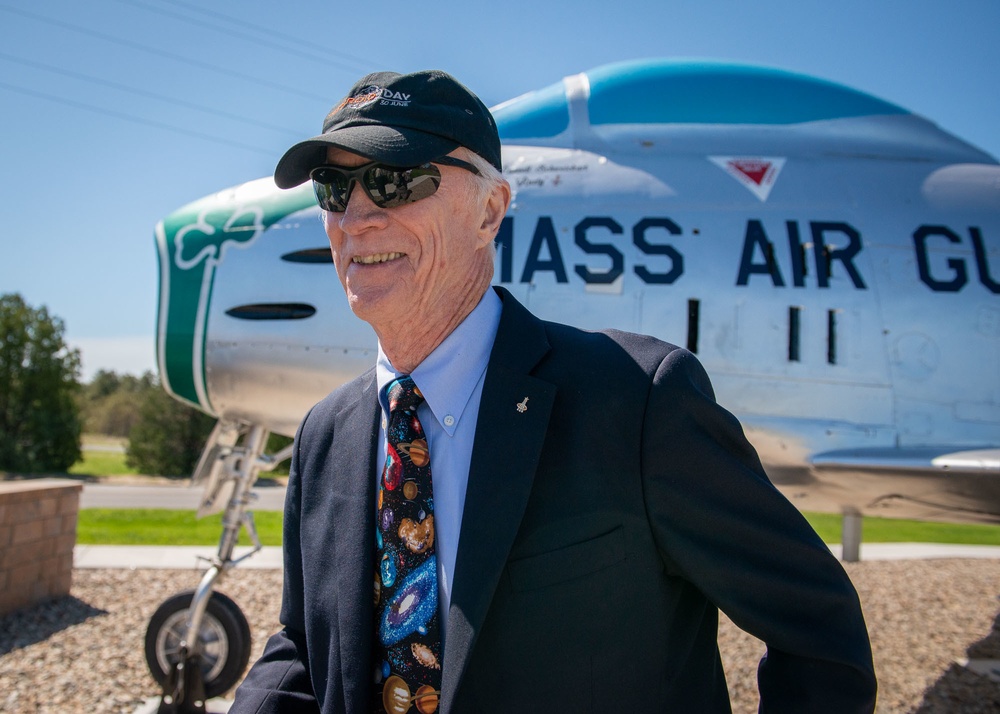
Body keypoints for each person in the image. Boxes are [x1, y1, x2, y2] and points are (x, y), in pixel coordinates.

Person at [231, 69, 877, 713]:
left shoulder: (638, 403)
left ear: (490, 211)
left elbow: (819, 633)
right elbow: (308, 649)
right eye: (335, 188)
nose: (357, 216)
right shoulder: (326, 434)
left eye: (395, 180)